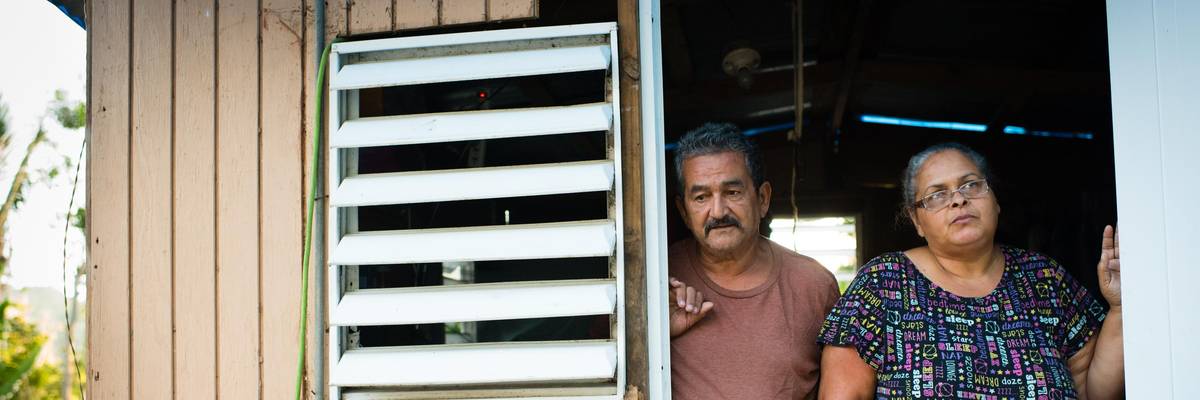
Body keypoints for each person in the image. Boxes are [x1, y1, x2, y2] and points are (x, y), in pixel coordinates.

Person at [818, 143, 1124, 399]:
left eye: (971, 185)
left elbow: (1093, 391)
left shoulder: (1043, 278)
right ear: (916, 221)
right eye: (937, 194)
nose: (958, 199)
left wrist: (1119, 308)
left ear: (995, 200)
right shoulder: (883, 283)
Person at [669, 123, 840, 399]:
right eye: (701, 197)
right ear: (684, 212)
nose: (718, 211)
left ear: (762, 199)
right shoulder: (656, 277)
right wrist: (653, 331)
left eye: (732, 193)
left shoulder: (814, 285)